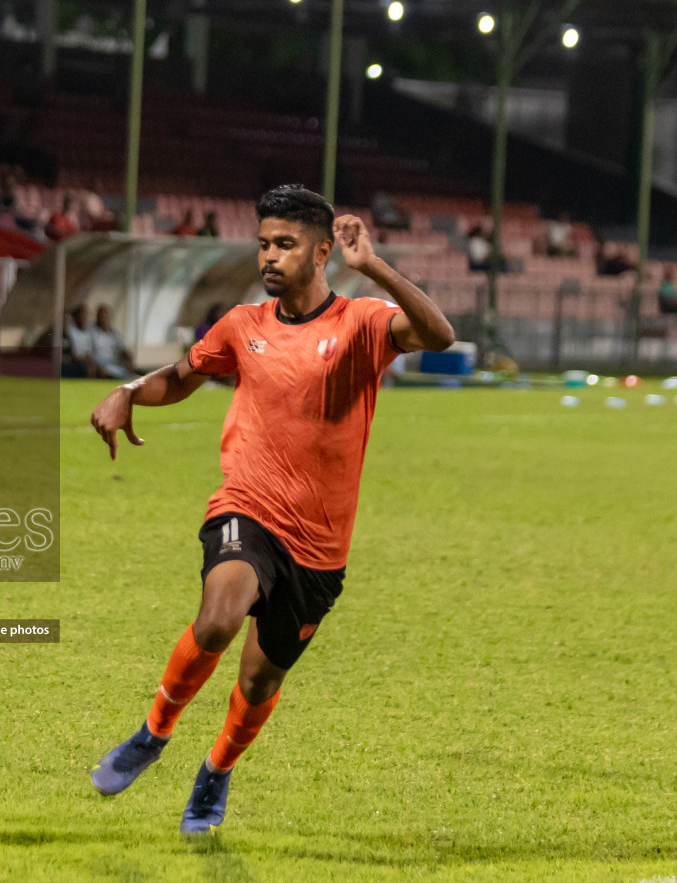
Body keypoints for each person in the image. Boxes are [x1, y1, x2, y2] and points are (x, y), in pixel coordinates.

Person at [86, 184, 454, 832]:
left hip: (319, 548)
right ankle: (152, 733)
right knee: (218, 617)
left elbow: (439, 334)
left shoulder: (362, 323)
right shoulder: (242, 325)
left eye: (284, 245)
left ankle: (216, 773)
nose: (269, 257)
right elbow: (185, 373)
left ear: (320, 254)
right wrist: (129, 391)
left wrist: (373, 266)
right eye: (263, 244)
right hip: (247, 507)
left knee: (258, 683)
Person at [91, 304, 136, 379]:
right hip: (99, 365)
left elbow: (123, 349)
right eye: (101, 316)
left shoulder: (115, 334)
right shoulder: (91, 332)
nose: (103, 319)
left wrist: (129, 357)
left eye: (105, 316)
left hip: (114, 365)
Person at [62, 304, 95, 378]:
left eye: (86, 315)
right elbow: (74, 354)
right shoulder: (70, 331)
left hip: (84, 361)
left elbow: (89, 353)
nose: (84, 318)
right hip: (74, 362)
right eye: (81, 315)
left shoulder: (89, 333)